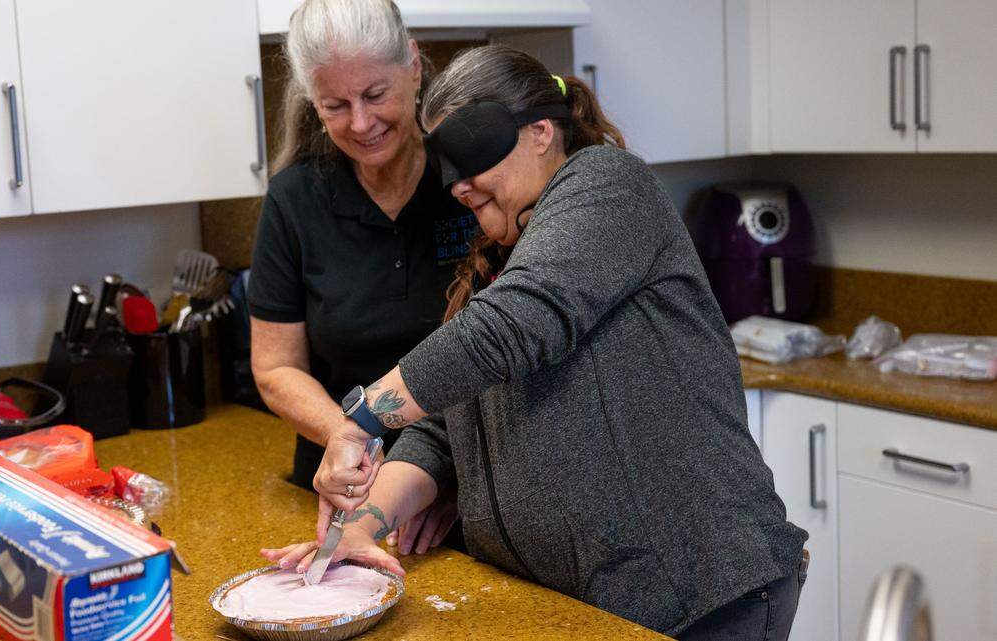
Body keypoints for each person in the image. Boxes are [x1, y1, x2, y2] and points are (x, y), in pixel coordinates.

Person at [262, 45, 809, 640]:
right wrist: (363, 527)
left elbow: (504, 331)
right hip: (589, 610)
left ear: (542, 131)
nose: (460, 187)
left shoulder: (609, 187)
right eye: (449, 169)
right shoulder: (503, 263)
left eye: (472, 158)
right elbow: (443, 427)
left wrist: (359, 420)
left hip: (702, 597)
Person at [246, 0, 470, 554]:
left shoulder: (471, 181)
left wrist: (450, 479)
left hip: (465, 494)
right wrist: (343, 433)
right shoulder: (295, 199)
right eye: (335, 105)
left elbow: (511, 348)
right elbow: (275, 367)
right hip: (342, 490)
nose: (361, 123)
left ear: (414, 68)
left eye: (374, 95)